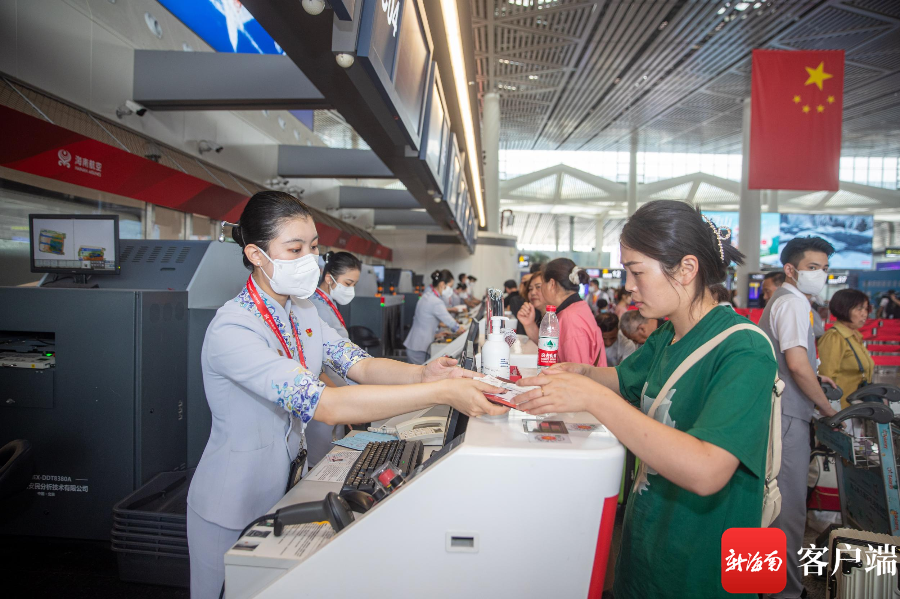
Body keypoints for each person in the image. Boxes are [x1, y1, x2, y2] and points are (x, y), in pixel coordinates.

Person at [187, 192, 504, 598]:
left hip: (287, 489)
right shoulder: (234, 329)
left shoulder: (302, 312)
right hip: (232, 501)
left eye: (313, 247)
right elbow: (327, 405)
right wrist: (440, 391)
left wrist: (422, 373)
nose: (310, 259)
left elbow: (361, 365)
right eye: (295, 249)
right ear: (255, 254)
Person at [515, 200, 777, 599]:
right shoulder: (667, 334)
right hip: (647, 548)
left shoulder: (745, 350)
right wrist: (581, 373)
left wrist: (594, 398)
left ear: (686, 269)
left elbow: (707, 470)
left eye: (637, 272)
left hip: (702, 567)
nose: (628, 285)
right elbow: (623, 380)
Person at [758, 235, 838, 599]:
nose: (820, 274)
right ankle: (784, 592)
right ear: (790, 269)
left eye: (824, 268)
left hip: (777, 413)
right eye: (812, 267)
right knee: (786, 510)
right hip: (786, 418)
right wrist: (827, 407)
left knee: (768, 506)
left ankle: (760, 586)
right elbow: (795, 363)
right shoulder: (791, 303)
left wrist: (817, 378)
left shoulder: (785, 300)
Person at [308, 250, 361, 464]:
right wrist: (341, 397)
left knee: (333, 453)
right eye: (348, 283)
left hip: (336, 392)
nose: (351, 290)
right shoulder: (317, 308)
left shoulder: (327, 303)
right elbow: (317, 364)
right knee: (322, 460)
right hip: (327, 393)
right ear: (329, 279)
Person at [519, 258, 606, 366]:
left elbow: (576, 372)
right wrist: (529, 325)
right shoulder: (575, 309)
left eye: (541, 285)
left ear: (551, 284)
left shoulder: (570, 318)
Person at [817, 289, 874, 410]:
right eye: (859, 309)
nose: (864, 314)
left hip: (855, 408)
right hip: (839, 410)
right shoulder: (834, 338)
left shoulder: (855, 336)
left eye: (866, 309)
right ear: (844, 308)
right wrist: (828, 409)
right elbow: (827, 376)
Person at [404, 269, 467, 365]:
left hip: (417, 344)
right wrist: (463, 331)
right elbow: (450, 322)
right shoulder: (435, 301)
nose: (451, 290)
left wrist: (435, 335)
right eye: (450, 286)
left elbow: (426, 321)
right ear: (442, 284)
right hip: (419, 347)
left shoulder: (428, 296)